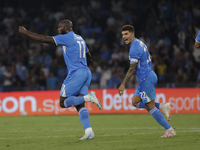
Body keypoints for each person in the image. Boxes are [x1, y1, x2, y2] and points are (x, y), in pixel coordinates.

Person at [19, 19, 102, 140]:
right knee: (79, 104)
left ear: (67, 27)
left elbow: (42, 39)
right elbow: (89, 57)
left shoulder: (67, 37)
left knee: (63, 102)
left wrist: (26, 32)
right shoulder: (80, 38)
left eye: (60, 27)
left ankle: (89, 97)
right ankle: (89, 132)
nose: (58, 29)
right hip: (86, 73)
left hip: (77, 73)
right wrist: (83, 69)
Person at [118, 25, 176, 138]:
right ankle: (163, 106)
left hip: (146, 78)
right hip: (145, 77)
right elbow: (150, 57)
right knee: (135, 102)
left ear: (132, 34)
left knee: (150, 107)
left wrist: (123, 84)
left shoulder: (134, 48)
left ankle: (170, 130)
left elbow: (131, 69)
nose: (124, 37)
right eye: (122, 35)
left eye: (126, 34)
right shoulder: (140, 43)